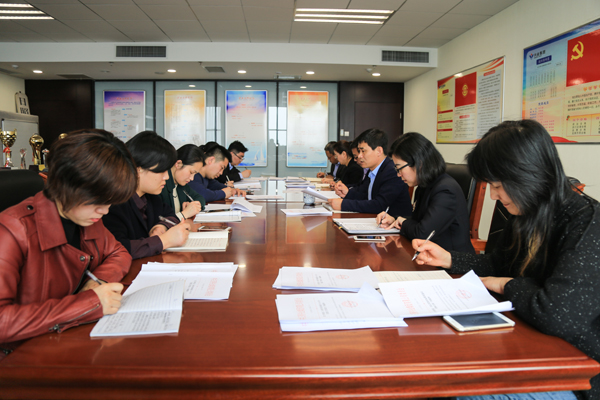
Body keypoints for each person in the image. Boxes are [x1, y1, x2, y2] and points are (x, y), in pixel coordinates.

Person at [412, 120, 600, 400]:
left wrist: (505, 284)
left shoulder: (587, 223)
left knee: (455, 388)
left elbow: (556, 314)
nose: (493, 195)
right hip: (527, 341)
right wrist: (449, 259)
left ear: (527, 175)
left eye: (498, 185)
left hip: (576, 373)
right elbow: (501, 263)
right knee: (436, 360)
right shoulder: (528, 212)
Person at [0, 130, 137, 349]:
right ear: (65, 184)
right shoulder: (12, 231)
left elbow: (118, 252)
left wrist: (97, 282)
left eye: (110, 202)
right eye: (97, 201)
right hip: (22, 354)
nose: (105, 211)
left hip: (65, 341)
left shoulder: (86, 218)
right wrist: (89, 302)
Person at [376, 132, 474, 253]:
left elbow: (422, 233)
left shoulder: (445, 190)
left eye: (399, 168)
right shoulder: (425, 185)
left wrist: (403, 222)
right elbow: (420, 220)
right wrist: (395, 219)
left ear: (419, 163)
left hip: (451, 260)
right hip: (427, 254)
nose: (398, 174)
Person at [103, 131, 190, 260]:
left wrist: (161, 226)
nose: (166, 177)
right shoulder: (113, 204)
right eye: (161, 171)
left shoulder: (150, 198)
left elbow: (170, 214)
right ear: (138, 170)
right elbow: (116, 249)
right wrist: (163, 241)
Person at [328, 128, 412, 217]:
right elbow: (365, 195)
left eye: (363, 151)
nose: (359, 156)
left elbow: (379, 205)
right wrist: (347, 193)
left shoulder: (392, 171)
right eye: (359, 151)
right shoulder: (372, 170)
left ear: (379, 151)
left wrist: (344, 205)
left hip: (394, 223)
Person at [159, 144, 206, 220]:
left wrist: (192, 205)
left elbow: (200, 198)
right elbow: (160, 222)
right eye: (191, 172)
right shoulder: (160, 186)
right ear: (178, 164)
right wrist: (184, 214)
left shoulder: (181, 184)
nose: (192, 178)